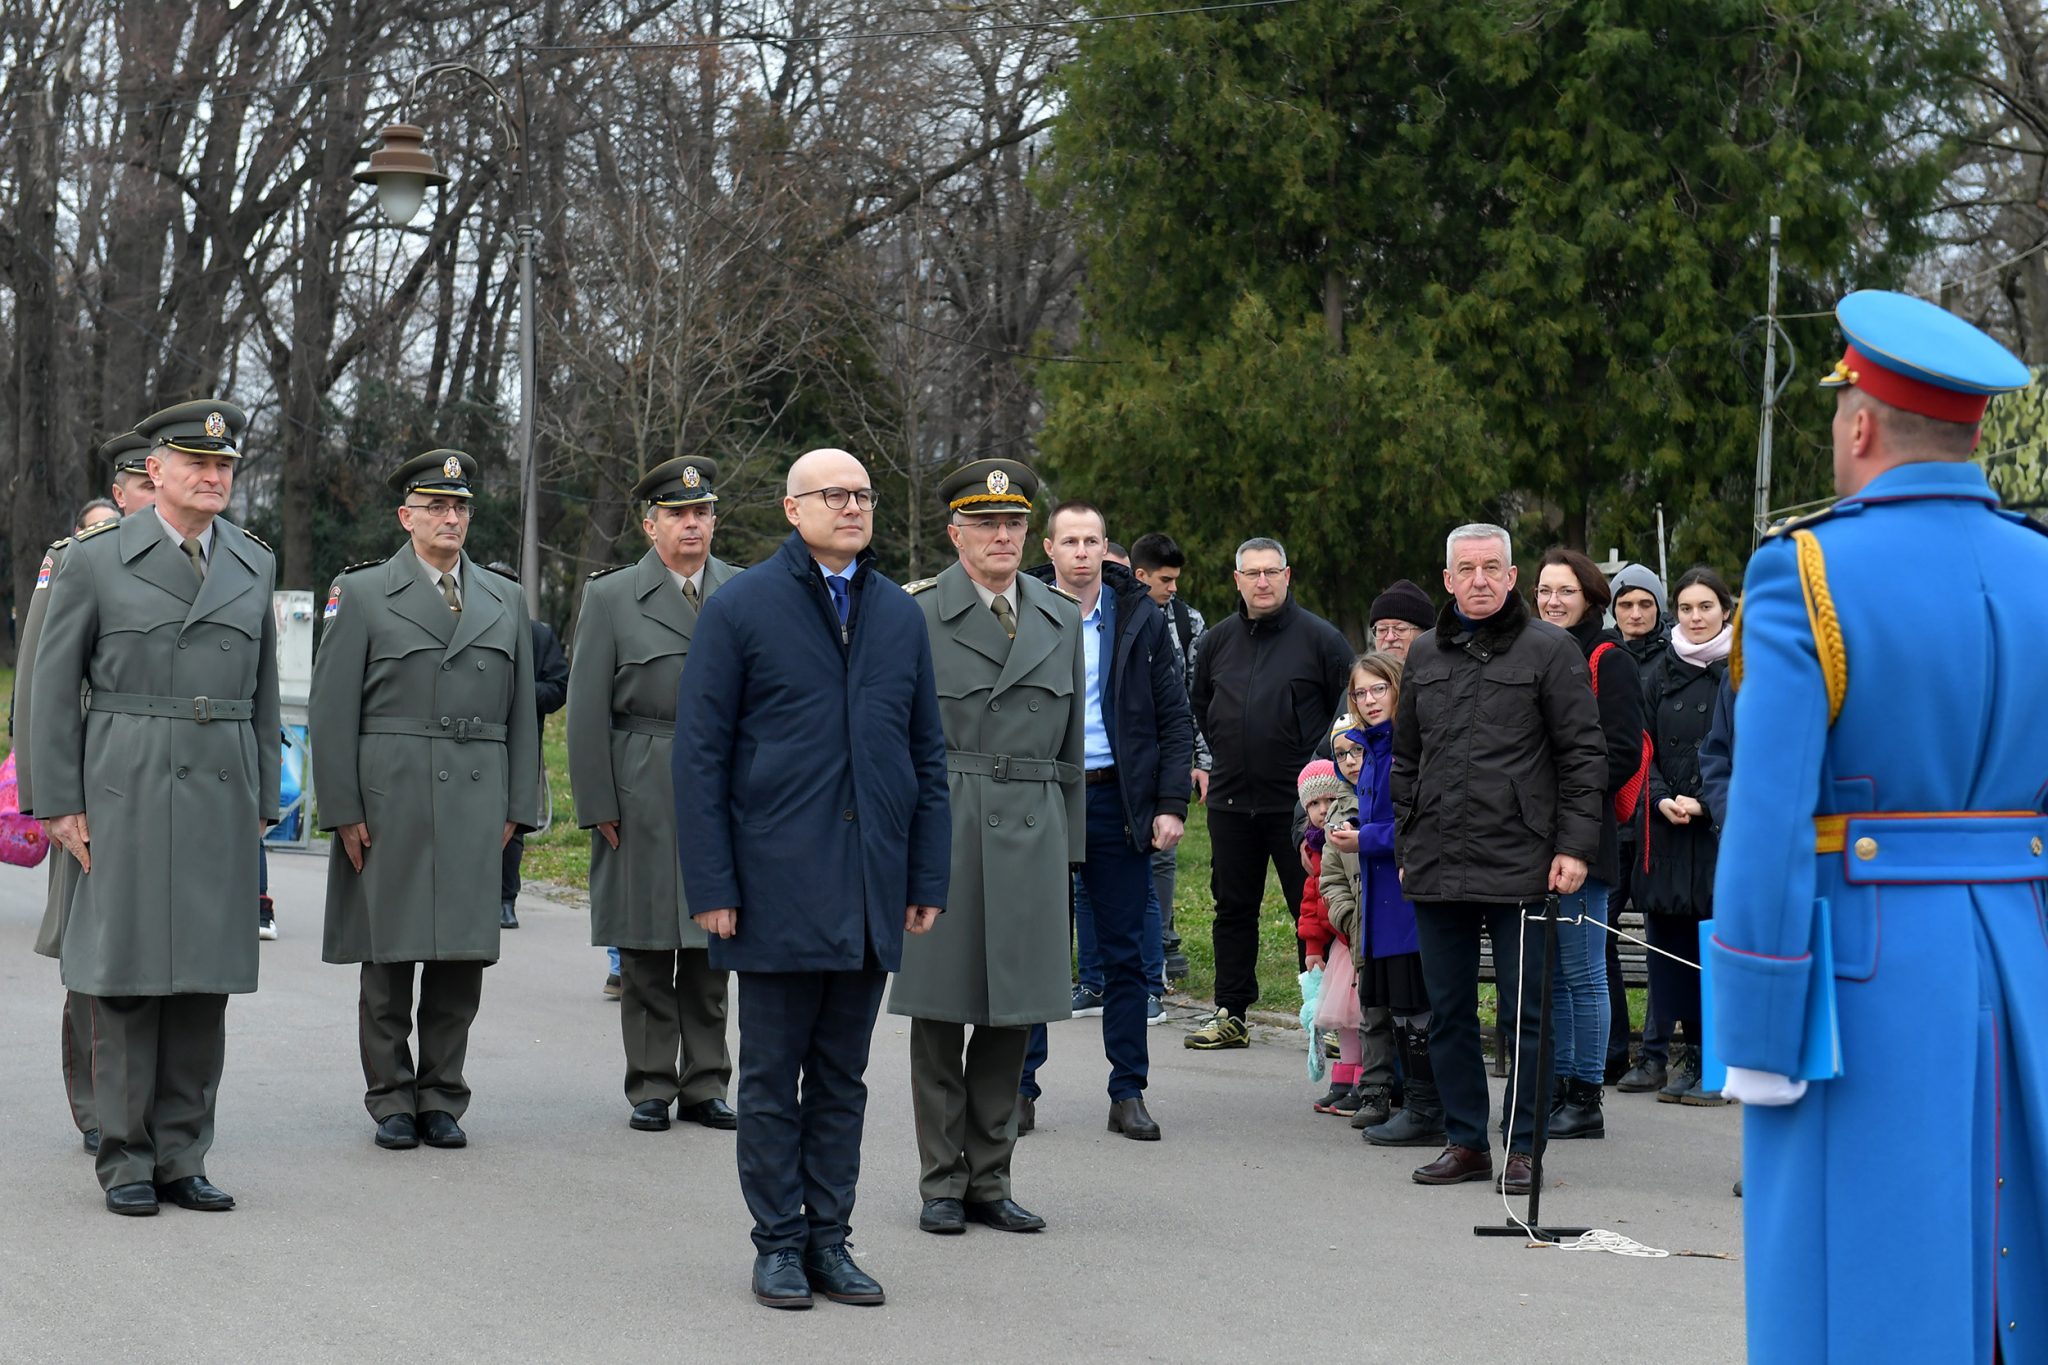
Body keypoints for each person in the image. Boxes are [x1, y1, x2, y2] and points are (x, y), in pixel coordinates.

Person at [1712, 290, 2048, 1361]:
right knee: (2013, 1273)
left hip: (1852, 984)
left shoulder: (1803, 570)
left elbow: (1764, 825)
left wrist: (1756, 1032)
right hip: (2018, 949)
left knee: (1847, 1293)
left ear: (1857, 422)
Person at [672, 447, 949, 1310]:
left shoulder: (900, 614)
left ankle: (832, 1239)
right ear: (793, 509)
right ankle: (778, 1244)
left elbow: (925, 756)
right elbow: (700, 755)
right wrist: (712, 883)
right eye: (836, 494)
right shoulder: (741, 607)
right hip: (775, 884)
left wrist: (925, 875)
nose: (854, 506)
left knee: (842, 1078)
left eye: (864, 494)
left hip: (870, 884)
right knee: (769, 1076)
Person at [33, 400, 280, 1216]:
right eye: (198, 464)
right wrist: (57, 801)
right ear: (158, 472)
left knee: (203, 981)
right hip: (124, 784)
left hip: (218, 788)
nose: (215, 477)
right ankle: (126, 1156)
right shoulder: (95, 561)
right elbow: (50, 691)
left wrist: (263, 792)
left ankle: (184, 1152)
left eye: (226, 466)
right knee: (127, 976)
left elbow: (264, 695)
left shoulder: (250, 562)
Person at [311, 449, 542, 1154]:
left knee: (460, 958)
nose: (451, 517)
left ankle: (442, 1093)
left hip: (477, 793)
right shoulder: (364, 592)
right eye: (437, 506)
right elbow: (331, 709)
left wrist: (519, 802)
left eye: (462, 506)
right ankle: (390, 1096)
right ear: (405, 516)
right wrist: (343, 806)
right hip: (393, 792)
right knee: (390, 952)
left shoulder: (505, 598)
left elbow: (523, 711)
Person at [887, 459, 1083, 1234]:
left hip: (1033, 829)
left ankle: (990, 1178)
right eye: (986, 523)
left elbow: (1070, 749)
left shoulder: (1059, 616)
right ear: (955, 532)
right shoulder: (913, 614)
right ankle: (942, 1180)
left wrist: (1067, 845)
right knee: (940, 1014)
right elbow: (892, 739)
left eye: (1014, 523)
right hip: (947, 821)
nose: (1003, 536)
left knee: (1014, 1018)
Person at [1391, 523, 1605, 1194]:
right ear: (1448, 580)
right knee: (1449, 1013)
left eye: (1492, 567)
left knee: (1525, 1016)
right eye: (1466, 568)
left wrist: (1574, 846)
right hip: (1437, 864)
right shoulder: (1423, 654)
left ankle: (1522, 1148)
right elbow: (1405, 758)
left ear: (1512, 577)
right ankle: (1465, 1141)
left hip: (1522, 862)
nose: (1479, 579)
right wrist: (1407, 838)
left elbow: (1582, 755)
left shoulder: (1551, 650)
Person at [567, 456, 740, 1134]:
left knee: (712, 938)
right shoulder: (612, 597)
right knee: (643, 944)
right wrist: (597, 801)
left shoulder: (743, 590)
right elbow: (585, 711)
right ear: (650, 525)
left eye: (701, 512)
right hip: (640, 779)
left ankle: (707, 1081)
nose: (691, 524)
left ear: (714, 521)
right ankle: (650, 1082)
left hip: (722, 783)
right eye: (677, 513)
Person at [1017, 501, 1192, 1136]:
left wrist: (1170, 804)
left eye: (1093, 540)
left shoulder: (1139, 617)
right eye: (1071, 541)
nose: (1083, 552)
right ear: (1052, 549)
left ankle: (1128, 1092)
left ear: (1107, 548)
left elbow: (1173, 715)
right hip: (1039, 798)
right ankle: (1020, 1088)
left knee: (1123, 953)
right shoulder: (1022, 610)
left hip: (1116, 800)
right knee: (1035, 949)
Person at [16, 432, 159, 1161]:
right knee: (92, 952)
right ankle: (97, 1105)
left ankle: (149, 1104)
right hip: (90, 796)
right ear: (127, 489)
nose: (152, 499)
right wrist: (50, 802)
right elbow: (41, 687)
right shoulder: (73, 561)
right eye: (142, 485)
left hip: (160, 792)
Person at [1184, 537, 1352, 1048]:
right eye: (1251, 573)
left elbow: (1343, 713)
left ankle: (1329, 1015)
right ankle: (1231, 1012)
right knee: (1232, 908)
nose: (1262, 581)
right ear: (1236, 580)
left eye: (1271, 572)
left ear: (1287, 575)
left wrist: (1315, 774)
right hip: (1232, 802)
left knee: (1319, 913)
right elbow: (1202, 705)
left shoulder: (1321, 640)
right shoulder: (1215, 642)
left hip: (1300, 807)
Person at [1530, 546, 1646, 1140]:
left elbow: (1622, 752)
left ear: (1591, 598)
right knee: (1553, 970)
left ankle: (1585, 1094)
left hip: (1586, 831)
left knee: (1582, 969)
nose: (1552, 601)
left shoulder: (1609, 659)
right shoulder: (1535, 651)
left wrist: (1558, 779)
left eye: (1565, 591)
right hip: (1533, 833)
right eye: (1544, 591)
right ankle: (1558, 1086)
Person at [1330, 654, 1444, 1149]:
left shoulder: (1409, 745)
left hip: (1408, 901)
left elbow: (1421, 822)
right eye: (1360, 694)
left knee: (1417, 1006)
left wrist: (1367, 838)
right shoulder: (1368, 749)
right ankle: (1413, 1103)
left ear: (1398, 690)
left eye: (1379, 690)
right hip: (1379, 904)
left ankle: (1427, 1109)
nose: (1370, 701)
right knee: (1397, 1008)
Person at [1637, 565, 1735, 1107]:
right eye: (1688, 608)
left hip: (1721, 833)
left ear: (1725, 610)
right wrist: (1659, 798)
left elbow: (1744, 750)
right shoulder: (1659, 672)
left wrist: (1708, 801)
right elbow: (1639, 748)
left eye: (1707, 607)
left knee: (1718, 947)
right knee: (1672, 951)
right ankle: (1691, 1054)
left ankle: (1720, 1061)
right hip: (1668, 833)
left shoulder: (1743, 671)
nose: (1696, 618)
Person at [1127, 531, 1206, 983]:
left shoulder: (1187, 620)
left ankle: (1162, 946)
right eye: (1165, 579)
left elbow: (1196, 695)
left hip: (1172, 755)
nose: (1173, 587)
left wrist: (1200, 758)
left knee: (1163, 855)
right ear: (1141, 576)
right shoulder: (1120, 617)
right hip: (1133, 756)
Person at [1607, 559, 1671, 1088]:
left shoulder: (1675, 659)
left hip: (1659, 819)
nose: (1634, 613)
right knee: (1599, 933)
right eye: (1625, 603)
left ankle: (1657, 1050)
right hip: (1614, 819)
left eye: (1644, 603)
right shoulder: (1604, 657)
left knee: (1657, 935)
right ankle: (1611, 1047)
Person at [489, 562, 569, 931]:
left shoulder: (539, 636)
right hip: (474, 741)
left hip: (521, 742)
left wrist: (522, 692)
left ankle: (507, 899)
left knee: (515, 823)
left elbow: (560, 687)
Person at [1295, 757, 1359, 1114]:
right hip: (1337, 948)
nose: (1321, 811)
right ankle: (1343, 1079)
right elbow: (1311, 901)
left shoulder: (1343, 840)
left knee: (1361, 1017)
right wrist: (1313, 946)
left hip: (1354, 941)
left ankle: (1366, 1081)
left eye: (1328, 802)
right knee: (1345, 1021)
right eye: (1313, 805)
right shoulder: (1314, 848)